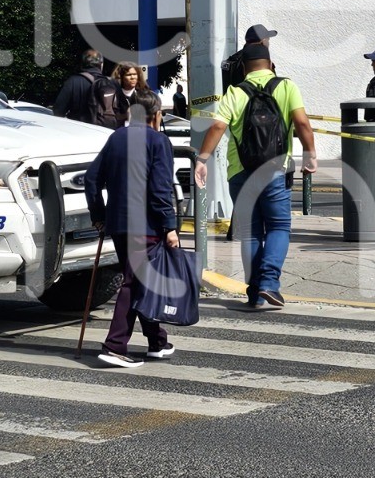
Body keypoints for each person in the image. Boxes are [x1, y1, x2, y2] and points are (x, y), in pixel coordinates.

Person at [195, 43, 316, 310]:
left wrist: (202, 159)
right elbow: (303, 123)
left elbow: (217, 126)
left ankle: (254, 291)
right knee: (278, 227)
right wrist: (310, 154)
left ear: (244, 69)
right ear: (270, 65)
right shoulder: (286, 86)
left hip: (240, 172)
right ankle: (269, 284)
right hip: (275, 170)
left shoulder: (235, 91)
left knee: (250, 234)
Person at [86, 93, 181, 368]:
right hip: (147, 224)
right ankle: (115, 346)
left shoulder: (116, 137)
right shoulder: (158, 141)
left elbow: (92, 179)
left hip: (118, 222)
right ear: (156, 114)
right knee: (134, 282)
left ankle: (157, 341)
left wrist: (98, 215)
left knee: (139, 280)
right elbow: (160, 188)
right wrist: (170, 226)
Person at [52, 49, 120, 128]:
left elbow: (58, 111)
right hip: (105, 132)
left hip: (79, 130)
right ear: (101, 65)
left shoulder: (73, 81)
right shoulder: (113, 84)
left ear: (82, 63)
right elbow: (120, 111)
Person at [221, 23, 276, 88]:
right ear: (263, 41)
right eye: (268, 40)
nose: (269, 43)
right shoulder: (260, 62)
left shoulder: (232, 60)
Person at [111, 61, 151, 126]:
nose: (133, 77)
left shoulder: (144, 94)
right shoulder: (113, 94)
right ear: (121, 77)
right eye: (128, 75)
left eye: (135, 74)